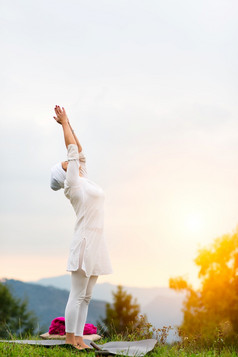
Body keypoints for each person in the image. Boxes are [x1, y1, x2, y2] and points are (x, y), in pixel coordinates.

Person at [50, 105, 113, 350]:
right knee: (77, 294)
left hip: (97, 242)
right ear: (64, 173)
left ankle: (79, 338)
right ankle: (69, 339)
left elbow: (80, 152)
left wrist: (70, 123)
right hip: (85, 241)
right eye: (66, 163)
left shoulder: (83, 178)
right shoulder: (73, 185)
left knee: (86, 296)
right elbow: (74, 151)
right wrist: (64, 123)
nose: (70, 161)